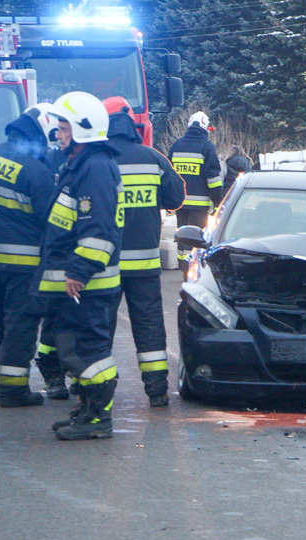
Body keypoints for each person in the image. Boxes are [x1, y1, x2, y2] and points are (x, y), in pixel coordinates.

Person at [37, 91, 123, 440]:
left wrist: (79, 272)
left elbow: (99, 229)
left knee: (87, 351)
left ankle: (98, 418)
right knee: (73, 349)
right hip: (75, 281)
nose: (58, 134)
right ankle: (87, 410)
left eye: (64, 127)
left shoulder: (95, 167)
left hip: (87, 284)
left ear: (83, 128)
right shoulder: (82, 164)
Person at [0, 105, 57, 407]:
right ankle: (12, 390)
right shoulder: (37, 171)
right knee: (20, 326)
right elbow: (54, 220)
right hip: (26, 263)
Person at [102, 96, 185, 407]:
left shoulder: (97, 161)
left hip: (104, 265)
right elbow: (175, 198)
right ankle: (157, 391)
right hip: (145, 265)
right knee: (149, 325)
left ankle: (94, 390)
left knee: (100, 328)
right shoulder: (153, 157)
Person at [169, 111, 221, 274]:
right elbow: (212, 177)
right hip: (199, 205)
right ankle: (193, 268)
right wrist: (217, 199)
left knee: (183, 234)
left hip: (180, 202)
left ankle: (183, 265)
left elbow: (169, 173)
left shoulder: (177, 145)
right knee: (196, 237)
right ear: (205, 128)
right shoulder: (207, 147)